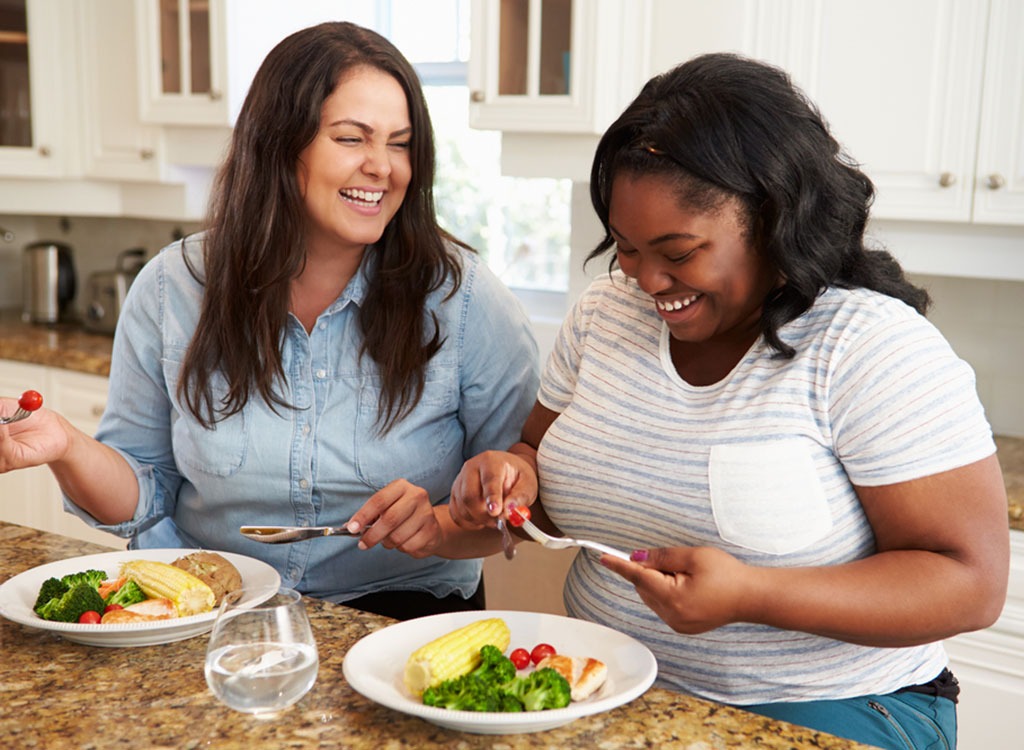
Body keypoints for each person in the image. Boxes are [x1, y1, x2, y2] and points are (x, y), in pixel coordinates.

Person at [444, 53, 1009, 748]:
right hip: (605, 689)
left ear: (772, 216)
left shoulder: (869, 345)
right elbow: (541, 463)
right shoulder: (605, 314)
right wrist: (511, 477)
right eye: (625, 247)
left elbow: (970, 583)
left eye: (678, 252)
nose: (648, 280)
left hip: (832, 706)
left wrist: (752, 595)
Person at [0, 22, 539, 621]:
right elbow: (145, 494)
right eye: (351, 138)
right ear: (281, 145)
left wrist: (439, 524)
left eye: (400, 143)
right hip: (209, 610)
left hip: (398, 617)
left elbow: (515, 510)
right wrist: (65, 445)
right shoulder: (172, 287)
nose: (382, 167)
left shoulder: (461, 298)